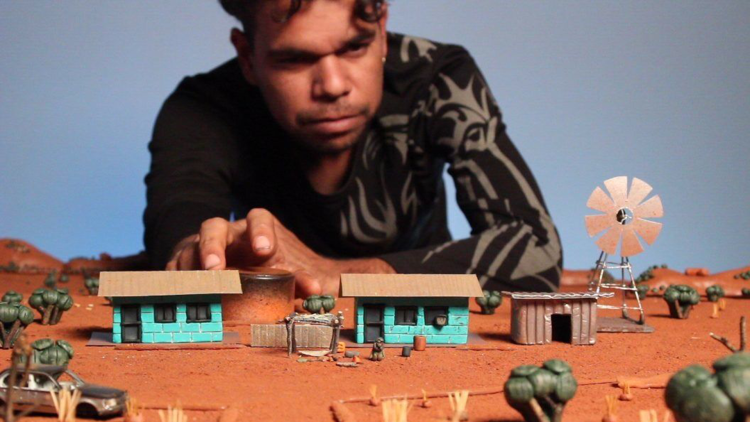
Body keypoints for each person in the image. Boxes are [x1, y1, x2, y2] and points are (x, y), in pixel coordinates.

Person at [143, 0, 562, 298]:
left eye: (354, 47)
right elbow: (179, 223)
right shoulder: (203, 106)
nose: (333, 85)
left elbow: (536, 247)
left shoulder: (437, 78)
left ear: (382, 34)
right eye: (294, 59)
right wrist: (202, 254)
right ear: (247, 56)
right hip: (272, 334)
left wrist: (335, 275)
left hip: (421, 333)